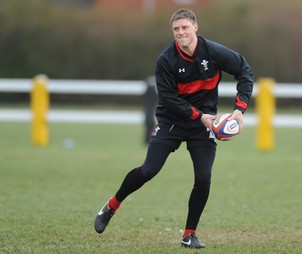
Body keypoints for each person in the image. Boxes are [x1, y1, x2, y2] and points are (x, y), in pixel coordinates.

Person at [94, 9, 254, 249]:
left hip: (205, 125)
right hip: (172, 121)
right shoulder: (166, 59)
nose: (180, 33)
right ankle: (112, 205)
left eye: (185, 28)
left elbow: (244, 71)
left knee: (203, 178)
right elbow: (168, 99)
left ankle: (189, 235)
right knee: (148, 170)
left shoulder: (214, 52)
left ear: (195, 27)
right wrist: (199, 116)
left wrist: (239, 110)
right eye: (176, 29)